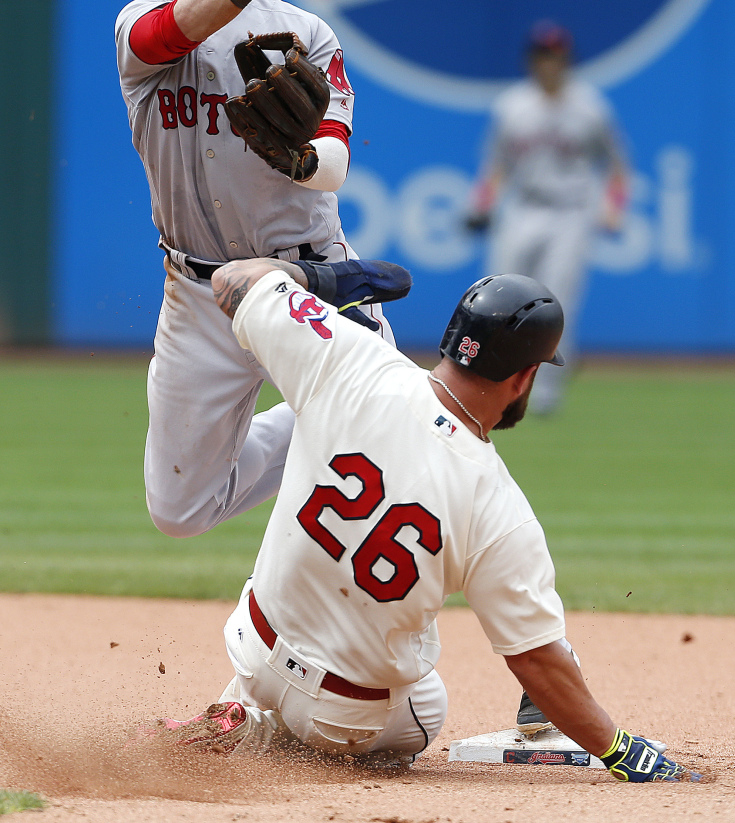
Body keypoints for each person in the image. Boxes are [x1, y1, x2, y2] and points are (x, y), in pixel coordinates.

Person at [152, 260, 700, 783]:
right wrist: (620, 749)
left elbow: (233, 281)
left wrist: (321, 278)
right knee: (426, 703)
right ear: (524, 377)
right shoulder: (499, 507)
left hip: (251, 647)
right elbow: (537, 660)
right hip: (338, 716)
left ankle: (244, 709)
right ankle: (266, 736)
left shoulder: (350, 358)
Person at [115, 0, 393, 540]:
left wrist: (301, 160)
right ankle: (350, 412)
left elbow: (333, 163)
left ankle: (367, 410)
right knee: (179, 511)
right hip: (197, 293)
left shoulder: (305, 33)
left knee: (384, 433)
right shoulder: (137, 27)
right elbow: (169, 34)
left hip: (300, 279)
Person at [465, 21, 630, 415]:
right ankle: (489, 382)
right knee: (498, 298)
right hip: (522, 208)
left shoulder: (591, 106)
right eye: (542, 56)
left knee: (558, 302)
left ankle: (547, 393)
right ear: (531, 60)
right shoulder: (512, 105)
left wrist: (613, 207)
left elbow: (618, 167)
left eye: (555, 56)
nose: (548, 64)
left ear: (567, 60)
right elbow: (494, 166)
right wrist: (482, 203)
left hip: (570, 213)